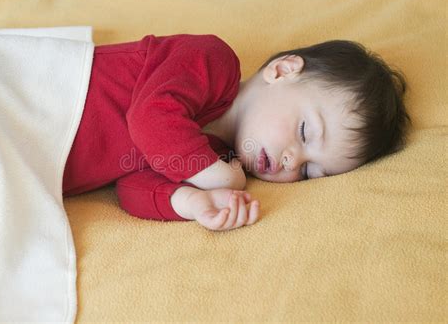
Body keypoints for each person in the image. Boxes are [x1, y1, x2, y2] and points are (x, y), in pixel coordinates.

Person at [62, 34, 411, 232]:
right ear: (282, 70)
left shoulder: (220, 158)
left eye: (307, 172)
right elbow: (149, 119)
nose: (292, 160)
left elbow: (132, 188)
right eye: (305, 133)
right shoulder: (213, 61)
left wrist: (191, 203)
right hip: (49, 95)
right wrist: (219, 179)